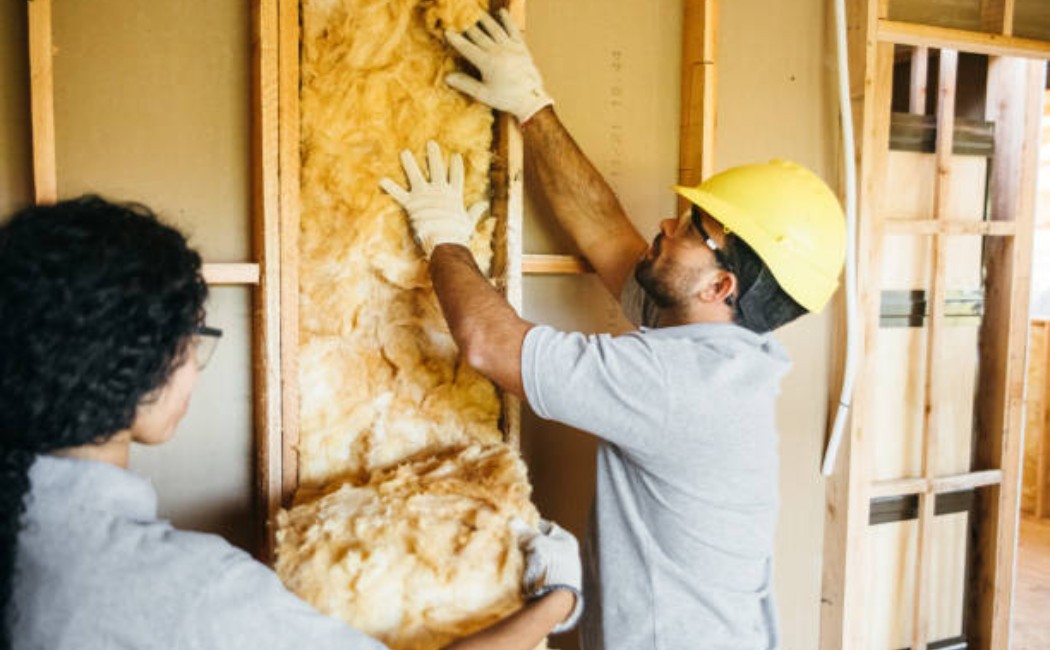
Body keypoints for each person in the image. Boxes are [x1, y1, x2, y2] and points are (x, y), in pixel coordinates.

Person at [379, 10, 847, 649]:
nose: (668, 224)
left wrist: (444, 239)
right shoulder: (721, 346)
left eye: (693, 230)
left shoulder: (677, 383)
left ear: (720, 288)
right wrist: (531, 104)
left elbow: (489, 344)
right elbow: (605, 232)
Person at [0, 196, 582, 650]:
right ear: (135, 366)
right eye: (190, 343)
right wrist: (558, 598)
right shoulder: (185, 589)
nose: (194, 372)